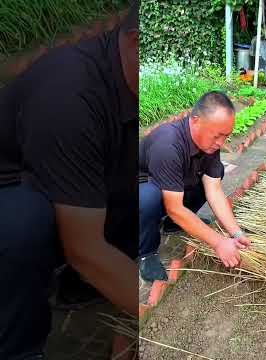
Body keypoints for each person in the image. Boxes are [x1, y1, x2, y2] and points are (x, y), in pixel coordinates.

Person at [0, 2, 140, 358]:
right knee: (24, 223)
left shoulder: (126, 76)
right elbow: (84, 248)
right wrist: (155, 312)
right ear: (135, 42)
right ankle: (21, 348)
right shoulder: (71, 96)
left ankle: (91, 289)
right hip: (13, 190)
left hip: (64, 177)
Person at [138, 91, 252, 281]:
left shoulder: (209, 143)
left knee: (216, 173)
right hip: (143, 186)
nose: (221, 143)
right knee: (149, 199)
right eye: (217, 136)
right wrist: (218, 243)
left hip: (173, 182)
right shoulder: (168, 144)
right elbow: (174, 208)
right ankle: (146, 253)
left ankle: (173, 225)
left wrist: (235, 233)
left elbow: (214, 191)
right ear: (195, 120)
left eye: (225, 136)